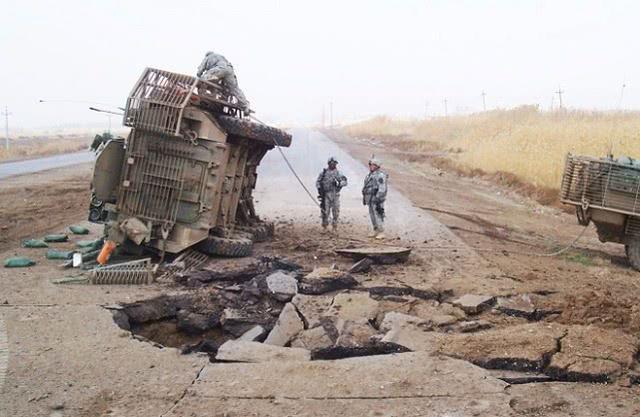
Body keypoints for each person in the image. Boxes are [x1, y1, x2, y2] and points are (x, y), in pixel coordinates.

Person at [316, 157, 348, 231]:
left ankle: (334, 226)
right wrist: (320, 189)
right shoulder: (323, 173)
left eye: (334, 163)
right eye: (331, 163)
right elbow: (318, 182)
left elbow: (345, 182)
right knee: (325, 211)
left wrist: (338, 183)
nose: (332, 164)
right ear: (328, 163)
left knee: (335, 211)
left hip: (335, 194)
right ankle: (325, 226)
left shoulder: (339, 173)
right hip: (326, 194)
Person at [362, 156, 388, 239]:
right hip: (370, 198)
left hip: (377, 199)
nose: (371, 166)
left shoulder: (380, 175)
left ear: (377, 166)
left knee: (378, 215)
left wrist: (378, 197)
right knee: (372, 215)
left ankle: (381, 231)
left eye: (373, 165)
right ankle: (375, 229)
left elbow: (382, 188)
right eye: (370, 165)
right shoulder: (370, 175)